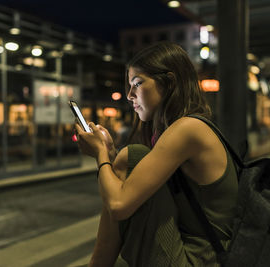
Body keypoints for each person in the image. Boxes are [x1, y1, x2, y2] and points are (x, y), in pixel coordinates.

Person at [75, 41, 238, 267]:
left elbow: (119, 205)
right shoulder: (178, 129)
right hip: (196, 251)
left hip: (205, 259)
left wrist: (101, 154)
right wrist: (109, 157)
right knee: (128, 158)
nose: (130, 95)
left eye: (138, 83)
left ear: (168, 83)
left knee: (132, 156)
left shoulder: (188, 129)